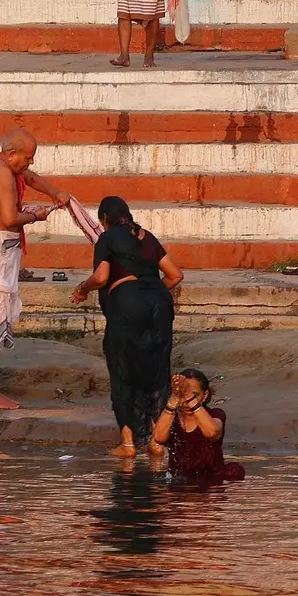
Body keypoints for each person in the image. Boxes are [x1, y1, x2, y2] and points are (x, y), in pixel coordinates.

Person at [0, 129, 69, 411]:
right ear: (12, 155)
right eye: (27, 158)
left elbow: (29, 178)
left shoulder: (2, 164)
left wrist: (54, 192)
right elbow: (10, 218)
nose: (29, 164)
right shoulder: (1, 173)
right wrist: (36, 214)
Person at [72, 196, 182, 459]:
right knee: (157, 368)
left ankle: (129, 444)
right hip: (159, 303)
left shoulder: (107, 239)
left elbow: (101, 278)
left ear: (104, 220)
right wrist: (151, 293)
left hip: (127, 304)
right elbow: (175, 275)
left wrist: (81, 289)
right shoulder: (148, 237)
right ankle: (157, 441)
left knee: (123, 369)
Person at [149, 369, 243, 484]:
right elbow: (158, 438)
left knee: (235, 471)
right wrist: (174, 398)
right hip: (179, 481)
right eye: (182, 395)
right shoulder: (171, 418)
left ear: (205, 395)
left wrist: (188, 395)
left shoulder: (215, 414)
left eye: (195, 395)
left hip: (211, 481)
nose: (187, 401)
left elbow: (213, 432)